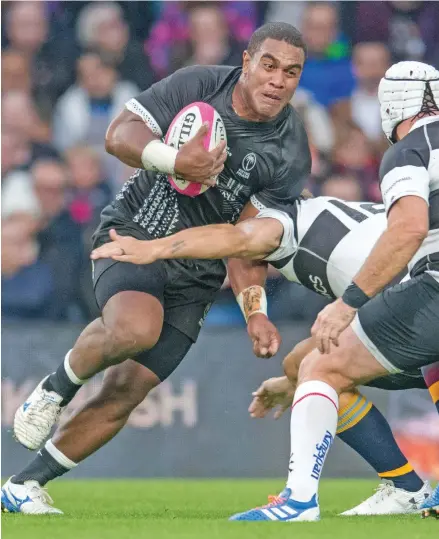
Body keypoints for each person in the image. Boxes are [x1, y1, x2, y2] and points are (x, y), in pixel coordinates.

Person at [1, 22, 311, 515]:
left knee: (128, 390)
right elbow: (118, 134)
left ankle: (22, 486)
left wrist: (254, 310)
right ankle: (54, 389)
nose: (277, 80)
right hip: (135, 236)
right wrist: (173, 159)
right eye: (269, 65)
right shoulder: (199, 84)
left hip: (198, 275)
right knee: (135, 328)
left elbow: (248, 240)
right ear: (248, 60)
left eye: (291, 72)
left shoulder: (289, 148)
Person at [91, 193, 433, 515]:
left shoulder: (281, 224)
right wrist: (291, 378)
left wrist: (155, 248)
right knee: (306, 364)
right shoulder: (337, 213)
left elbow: (237, 240)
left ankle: (307, 500)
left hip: (422, 305)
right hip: (411, 304)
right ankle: (405, 487)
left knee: (324, 366)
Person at [227, 60, 439, 521]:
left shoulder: (410, 151)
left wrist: (348, 303)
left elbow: (407, 230)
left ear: (393, 103)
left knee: (321, 366)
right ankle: (408, 488)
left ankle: (299, 501)